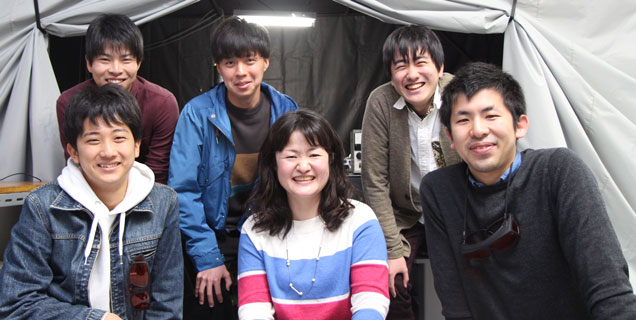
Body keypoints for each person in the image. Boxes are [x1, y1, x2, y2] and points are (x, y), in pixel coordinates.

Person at [421, 62, 636, 319]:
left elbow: (608, 289)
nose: (478, 130)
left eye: (491, 116)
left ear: (520, 125)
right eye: (463, 120)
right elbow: (455, 304)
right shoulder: (439, 190)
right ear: (450, 137)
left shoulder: (559, 172)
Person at [0, 84, 183, 320]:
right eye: (93, 140)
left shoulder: (163, 203)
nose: (108, 151)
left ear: (136, 146)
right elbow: (13, 305)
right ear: (73, 151)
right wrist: (95, 318)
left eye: (119, 138)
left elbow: (166, 306)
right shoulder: (43, 207)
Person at [169, 16, 298, 319]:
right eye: (229, 62)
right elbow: (183, 191)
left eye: (249, 60)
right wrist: (207, 257)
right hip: (215, 236)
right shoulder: (197, 114)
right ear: (218, 67)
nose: (240, 72)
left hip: (270, 233)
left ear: (265, 61)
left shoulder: (286, 110)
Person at [237, 109, 389, 319]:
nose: (303, 166)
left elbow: (371, 302)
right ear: (273, 163)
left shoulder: (361, 221)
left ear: (331, 160)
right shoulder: (254, 230)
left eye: (314, 154)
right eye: (291, 156)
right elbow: (254, 311)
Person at [360, 24, 461, 319]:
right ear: (392, 75)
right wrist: (392, 249)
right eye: (401, 65)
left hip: (456, 209)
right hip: (406, 214)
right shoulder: (380, 102)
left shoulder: (460, 95)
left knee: (467, 277)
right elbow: (374, 181)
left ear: (440, 68)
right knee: (391, 281)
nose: (412, 74)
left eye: (421, 62)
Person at [56, 13, 179, 184]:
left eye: (126, 59)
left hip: (146, 192)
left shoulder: (161, 103)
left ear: (139, 63)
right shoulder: (68, 102)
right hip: (88, 191)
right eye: (105, 60)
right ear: (89, 63)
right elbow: (77, 161)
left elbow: (158, 170)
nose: (115, 69)